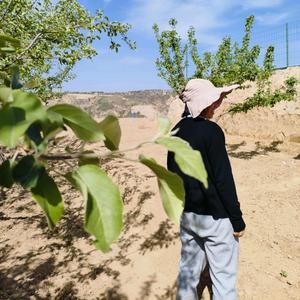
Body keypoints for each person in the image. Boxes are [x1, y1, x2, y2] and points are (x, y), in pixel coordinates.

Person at [167, 79, 246, 300]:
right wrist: (237, 220)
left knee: (187, 273)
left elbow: (171, 175)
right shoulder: (212, 132)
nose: (218, 103)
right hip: (216, 218)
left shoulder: (175, 131)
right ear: (207, 103)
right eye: (216, 99)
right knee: (223, 278)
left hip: (189, 215)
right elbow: (223, 180)